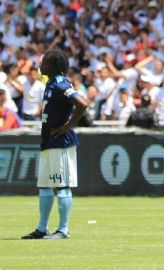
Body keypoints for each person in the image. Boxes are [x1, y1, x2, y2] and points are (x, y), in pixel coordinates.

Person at [22, 49, 87, 240]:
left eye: (44, 62)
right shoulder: (50, 83)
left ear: (53, 65)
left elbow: (82, 104)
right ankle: (42, 229)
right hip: (48, 141)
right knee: (44, 186)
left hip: (61, 142)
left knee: (62, 186)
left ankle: (63, 230)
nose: (40, 65)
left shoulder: (60, 83)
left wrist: (67, 126)